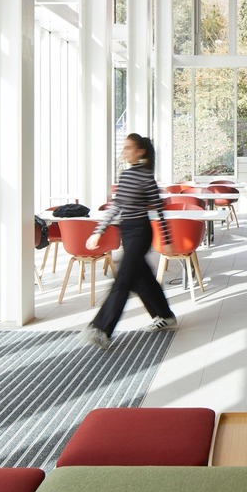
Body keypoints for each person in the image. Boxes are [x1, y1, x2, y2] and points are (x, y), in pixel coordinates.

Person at [81, 133, 177, 348]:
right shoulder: (126, 176)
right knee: (141, 279)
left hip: (141, 233)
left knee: (123, 280)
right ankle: (164, 315)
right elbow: (116, 206)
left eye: (128, 148)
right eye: (123, 148)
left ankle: (102, 329)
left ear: (140, 151)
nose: (124, 152)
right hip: (127, 231)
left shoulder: (146, 178)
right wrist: (98, 231)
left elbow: (159, 210)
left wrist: (167, 240)